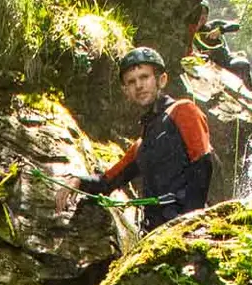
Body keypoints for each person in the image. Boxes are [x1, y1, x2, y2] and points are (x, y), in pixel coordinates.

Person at [54, 46, 213, 230]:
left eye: (144, 77)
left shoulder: (184, 111)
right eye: (131, 82)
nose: (139, 85)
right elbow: (107, 182)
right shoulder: (142, 145)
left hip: (188, 228)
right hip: (156, 233)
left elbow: (203, 165)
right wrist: (78, 181)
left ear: (161, 80)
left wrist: (190, 224)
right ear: (126, 91)